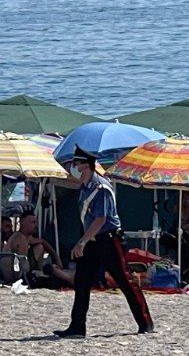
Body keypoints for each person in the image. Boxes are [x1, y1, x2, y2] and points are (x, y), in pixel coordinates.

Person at [54, 145, 154, 338]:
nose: (73, 167)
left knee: (124, 281)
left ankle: (145, 323)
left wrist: (81, 242)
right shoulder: (85, 187)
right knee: (82, 281)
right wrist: (84, 241)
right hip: (91, 240)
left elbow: (100, 219)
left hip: (108, 241)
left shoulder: (101, 187)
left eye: (76, 163)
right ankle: (77, 327)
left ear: (86, 165)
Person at [0, 211, 73, 286]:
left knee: (39, 247)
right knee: (54, 278)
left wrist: (56, 257)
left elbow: (43, 242)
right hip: (14, 276)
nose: (36, 225)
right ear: (23, 223)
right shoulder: (20, 238)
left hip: (23, 273)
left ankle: (42, 272)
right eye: (33, 222)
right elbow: (19, 267)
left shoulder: (27, 237)